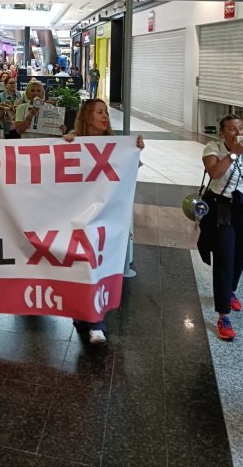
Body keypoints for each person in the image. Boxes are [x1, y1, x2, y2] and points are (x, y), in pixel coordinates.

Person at [64, 99, 144, 344]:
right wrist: (63, 145)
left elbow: (131, 170)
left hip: (103, 218)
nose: (105, 116)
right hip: (77, 216)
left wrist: (135, 150)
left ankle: (96, 321)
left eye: (106, 112)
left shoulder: (116, 145)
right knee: (81, 266)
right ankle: (82, 316)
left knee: (95, 263)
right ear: (87, 116)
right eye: (100, 112)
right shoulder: (73, 141)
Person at [199, 114, 243, 342]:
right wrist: (233, 154)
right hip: (223, 209)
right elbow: (214, 172)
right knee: (224, 257)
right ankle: (223, 316)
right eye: (232, 129)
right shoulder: (213, 148)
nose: (238, 132)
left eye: (240, 128)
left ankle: (230, 290)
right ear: (222, 132)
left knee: (240, 255)